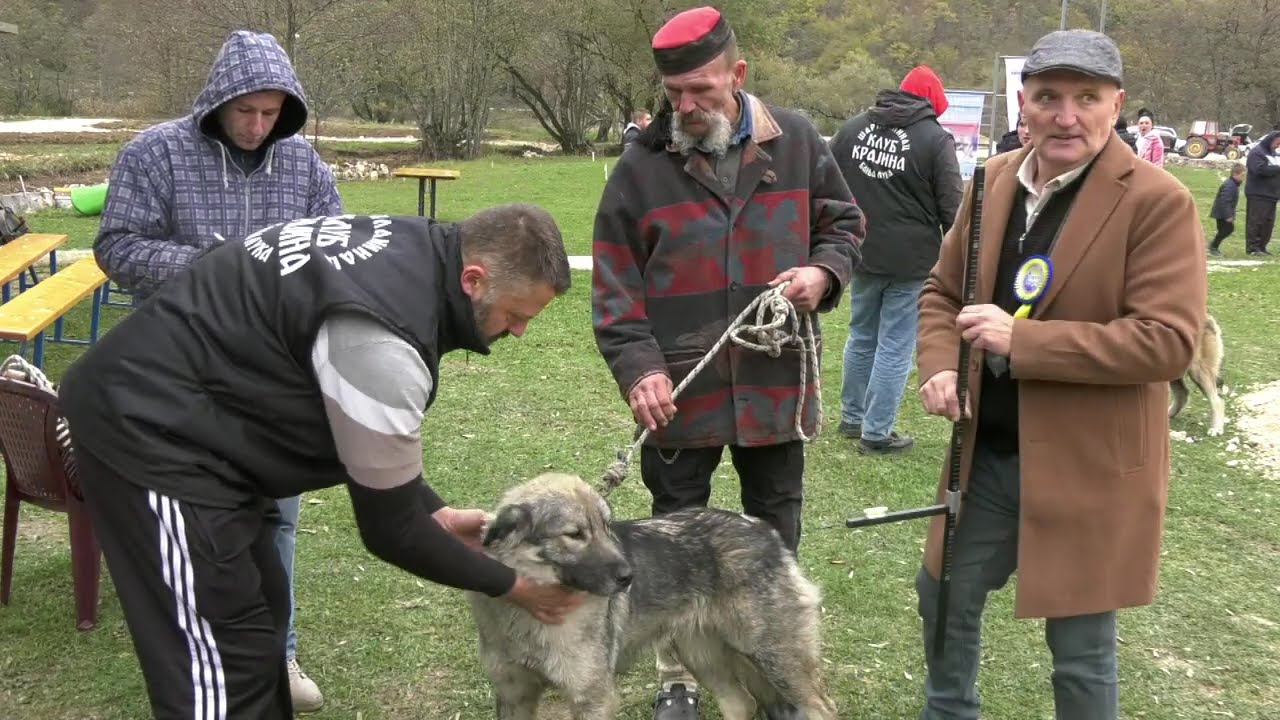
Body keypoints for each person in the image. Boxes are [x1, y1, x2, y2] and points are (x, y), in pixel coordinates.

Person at [58, 205, 585, 719]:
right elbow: (390, 531)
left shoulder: (419, 247)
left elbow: (365, 443)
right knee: (215, 657)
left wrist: (437, 515)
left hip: (215, 424)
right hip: (149, 429)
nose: (518, 331)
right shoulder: (383, 339)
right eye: (516, 315)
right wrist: (514, 587)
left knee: (262, 614)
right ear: (473, 279)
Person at [914, 29, 1206, 719]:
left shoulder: (1158, 200)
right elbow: (941, 295)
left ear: (1117, 105)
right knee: (944, 593)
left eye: (1086, 97)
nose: (1065, 116)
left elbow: (1167, 343)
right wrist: (938, 367)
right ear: (1024, 103)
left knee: (1080, 649)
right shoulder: (989, 180)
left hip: (1091, 464)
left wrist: (1024, 342)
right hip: (985, 454)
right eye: (1048, 97)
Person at [590, 6, 864, 719]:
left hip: (774, 387)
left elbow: (844, 224)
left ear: (738, 76)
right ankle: (678, 676)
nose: (685, 106)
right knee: (674, 539)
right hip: (681, 391)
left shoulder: (798, 140)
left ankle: (776, 673)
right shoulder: (640, 167)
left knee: (774, 530)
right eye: (673, 92)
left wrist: (822, 276)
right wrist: (640, 369)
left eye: (701, 90)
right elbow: (615, 288)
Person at [92, 29, 342, 710]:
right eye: (246, 113)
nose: (259, 127)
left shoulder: (303, 165)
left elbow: (335, 248)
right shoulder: (154, 153)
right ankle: (199, 653)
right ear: (217, 102)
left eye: (271, 114)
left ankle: (277, 658)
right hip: (178, 371)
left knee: (277, 520)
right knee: (192, 519)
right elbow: (114, 246)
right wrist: (212, 265)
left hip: (272, 375)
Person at [828, 65, 963, 455]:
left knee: (861, 335)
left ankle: (852, 417)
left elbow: (827, 181)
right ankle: (876, 432)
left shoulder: (853, 128)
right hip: (912, 260)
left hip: (860, 249)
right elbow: (952, 207)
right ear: (933, 104)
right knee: (895, 345)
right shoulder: (935, 139)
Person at [1244, 129, 1280, 256]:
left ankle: (1262, 246)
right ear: (1271, 140)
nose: (1278, 146)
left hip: (1272, 195)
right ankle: (1253, 248)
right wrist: (1277, 169)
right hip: (1258, 194)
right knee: (1256, 221)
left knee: (1268, 223)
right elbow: (1258, 170)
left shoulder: (1275, 154)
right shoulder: (1257, 153)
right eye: (1277, 142)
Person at [1209, 162, 1246, 256]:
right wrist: (1228, 215)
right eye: (1242, 175)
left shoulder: (1233, 184)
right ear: (1235, 174)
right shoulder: (1230, 185)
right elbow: (1225, 201)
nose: (1243, 178)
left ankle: (1214, 246)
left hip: (1223, 212)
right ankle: (1213, 246)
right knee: (1227, 229)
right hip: (1222, 213)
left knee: (1225, 230)